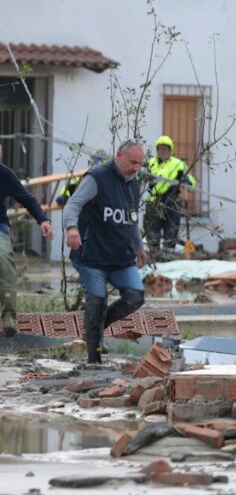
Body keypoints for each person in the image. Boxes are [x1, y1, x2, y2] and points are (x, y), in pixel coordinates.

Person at [64, 139, 148, 363]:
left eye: (140, 164)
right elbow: (72, 204)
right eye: (132, 162)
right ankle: (94, 360)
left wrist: (139, 245)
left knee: (135, 297)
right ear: (119, 155)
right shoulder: (97, 177)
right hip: (91, 255)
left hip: (121, 258)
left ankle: (96, 329)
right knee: (97, 301)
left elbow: (131, 217)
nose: (135, 168)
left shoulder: (133, 183)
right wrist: (71, 228)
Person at [0, 144, 54, 337]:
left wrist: (43, 221)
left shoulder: (4, 174)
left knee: (3, 258)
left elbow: (28, 199)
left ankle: (8, 317)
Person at [144, 135, 195, 254]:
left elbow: (191, 184)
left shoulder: (178, 164)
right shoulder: (150, 163)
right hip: (154, 203)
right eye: (160, 149)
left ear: (170, 150)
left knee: (171, 233)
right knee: (152, 234)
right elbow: (138, 179)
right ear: (157, 150)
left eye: (165, 149)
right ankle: (154, 257)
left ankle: (168, 259)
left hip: (172, 203)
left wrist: (187, 180)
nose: (163, 151)